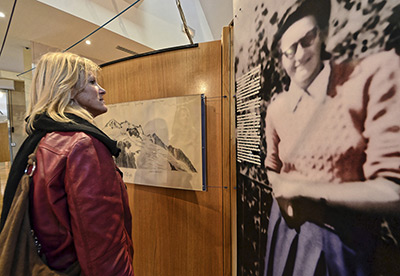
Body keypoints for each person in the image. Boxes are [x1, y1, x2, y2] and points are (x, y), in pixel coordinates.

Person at [263, 0, 400, 275]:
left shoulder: (371, 76)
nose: (299, 55)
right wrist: (280, 189)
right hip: (284, 232)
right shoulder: (277, 108)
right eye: (288, 50)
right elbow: (272, 164)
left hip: (342, 243)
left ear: (322, 34)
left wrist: (302, 189)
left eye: (306, 39)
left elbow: (392, 191)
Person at [0, 52, 134, 275]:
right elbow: (102, 248)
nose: (102, 90)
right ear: (68, 90)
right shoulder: (83, 146)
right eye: (92, 82)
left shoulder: (41, 139)